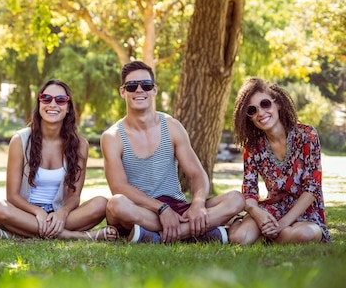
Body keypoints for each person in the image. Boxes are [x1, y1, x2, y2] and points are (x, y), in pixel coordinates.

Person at [101, 61, 244, 244]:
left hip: (176, 207)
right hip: (141, 209)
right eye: (131, 86)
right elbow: (118, 187)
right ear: (123, 92)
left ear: (154, 90)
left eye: (146, 85)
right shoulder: (112, 136)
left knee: (236, 200)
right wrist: (161, 209)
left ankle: (157, 237)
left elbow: (197, 174)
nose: (139, 90)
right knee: (116, 204)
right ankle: (197, 232)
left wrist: (198, 204)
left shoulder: (172, 126)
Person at [0, 79, 117, 241]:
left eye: (60, 100)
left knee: (101, 204)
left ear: (68, 107)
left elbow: (74, 196)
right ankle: (76, 236)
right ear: (39, 104)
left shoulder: (80, 145)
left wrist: (61, 213)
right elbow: (12, 196)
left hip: (59, 216)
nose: (53, 104)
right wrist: (38, 212)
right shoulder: (20, 140)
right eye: (46, 99)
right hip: (26, 213)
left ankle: (19, 233)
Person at [228, 77, 330, 244]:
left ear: (278, 103)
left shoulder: (306, 135)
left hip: (305, 211)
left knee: (303, 235)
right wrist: (257, 213)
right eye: (252, 110)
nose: (260, 113)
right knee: (240, 238)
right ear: (249, 118)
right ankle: (237, 224)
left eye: (265, 104)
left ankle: (271, 235)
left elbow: (313, 187)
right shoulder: (252, 147)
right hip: (273, 209)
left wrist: (282, 224)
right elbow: (249, 190)